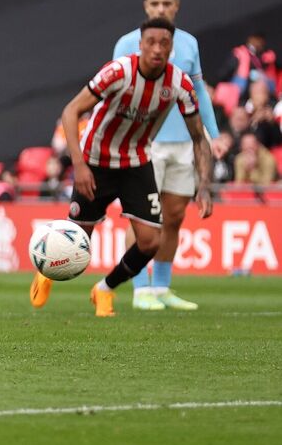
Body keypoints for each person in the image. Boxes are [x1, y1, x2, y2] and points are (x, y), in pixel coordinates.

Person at [31, 17, 214, 317]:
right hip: (96, 160)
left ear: (172, 48)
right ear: (140, 45)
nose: (157, 48)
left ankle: (104, 290)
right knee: (78, 238)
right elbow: (70, 111)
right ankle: (46, 273)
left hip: (136, 161)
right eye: (151, 42)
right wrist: (79, 165)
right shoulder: (118, 72)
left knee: (150, 240)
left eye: (164, 43)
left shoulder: (179, 83)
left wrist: (203, 185)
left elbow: (198, 136)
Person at [112, 0, 220, 311]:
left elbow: (198, 91)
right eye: (155, 3)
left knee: (173, 217)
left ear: (177, 6)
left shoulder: (188, 43)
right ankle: (139, 288)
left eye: (166, 3)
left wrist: (211, 136)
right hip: (143, 143)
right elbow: (113, 93)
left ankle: (161, 286)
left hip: (183, 144)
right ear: (145, 7)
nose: (161, 8)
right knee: (142, 218)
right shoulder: (127, 43)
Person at [219, 32, 277, 103]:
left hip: (260, 89)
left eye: (261, 41)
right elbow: (227, 71)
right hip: (241, 89)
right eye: (256, 40)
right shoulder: (240, 53)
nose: (259, 43)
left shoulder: (264, 55)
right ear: (250, 39)